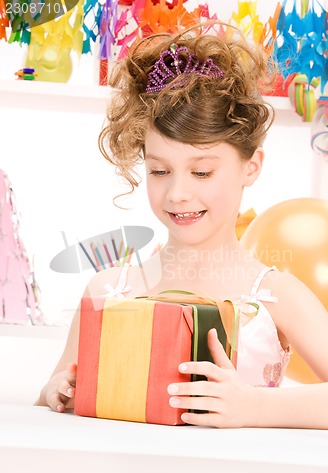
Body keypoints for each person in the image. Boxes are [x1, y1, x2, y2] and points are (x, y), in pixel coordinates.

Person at [36, 23, 328, 428]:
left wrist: (253, 408)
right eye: (159, 170)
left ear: (251, 167)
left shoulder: (278, 297)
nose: (177, 193)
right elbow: (51, 397)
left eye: (202, 172)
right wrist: (57, 391)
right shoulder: (109, 291)